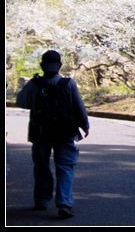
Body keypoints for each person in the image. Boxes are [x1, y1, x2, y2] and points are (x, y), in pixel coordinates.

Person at [16, 50, 90, 219]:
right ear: (59, 66)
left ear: (42, 65)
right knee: (65, 167)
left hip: (40, 132)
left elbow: (21, 102)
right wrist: (85, 125)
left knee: (41, 167)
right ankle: (64, 203)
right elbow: (78, 107)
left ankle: (42, 200)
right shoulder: (68, 84)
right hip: (64, 132)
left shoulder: (34, 84)